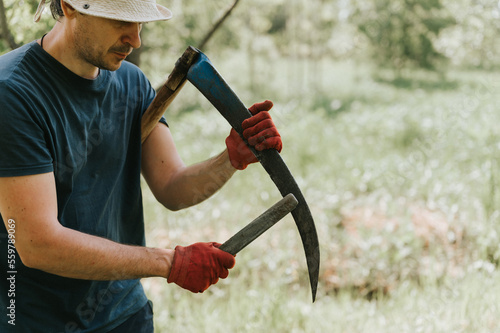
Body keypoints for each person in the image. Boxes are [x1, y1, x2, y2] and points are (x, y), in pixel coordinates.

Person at [0, 0, 283, 331]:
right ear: (71, 7)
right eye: (121, 22)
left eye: (141, 25)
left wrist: (231, 158)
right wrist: (170, 262)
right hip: (36, 321)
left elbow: (173, 188)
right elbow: (37, 244)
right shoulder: (13, 93)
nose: (136, 40)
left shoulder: (131, 83)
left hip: (125, 314)